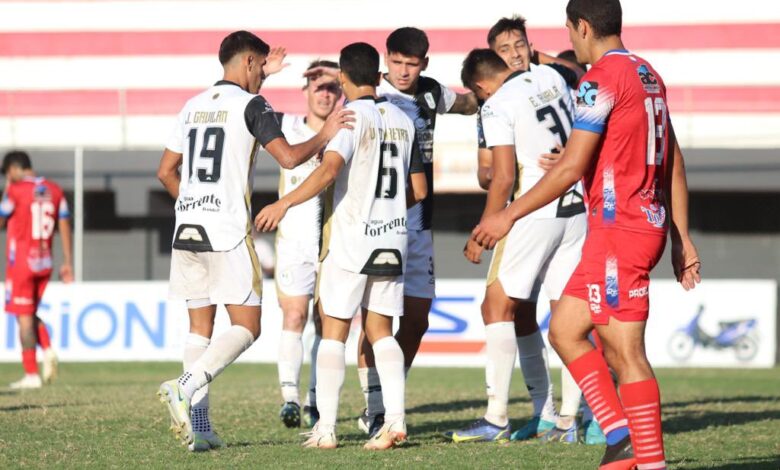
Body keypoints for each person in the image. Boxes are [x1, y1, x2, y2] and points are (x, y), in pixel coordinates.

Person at [472, 1, 701, 468]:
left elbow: (572, 166)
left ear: (581, 27)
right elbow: (672, 158)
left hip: (623, 231)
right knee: (565, 329)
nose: (570, 41)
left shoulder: (599, 79)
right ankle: (620, 435)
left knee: (624, 351)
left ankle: (647, 458)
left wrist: (506, 216)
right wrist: (681, 237)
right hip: (627, 228)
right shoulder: (647, 73)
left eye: (569, 32)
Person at [156, 30, 352, 452]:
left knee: (199, 330)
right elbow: (289, 157)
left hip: (187, 227)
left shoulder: (192, 106)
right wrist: (327, 133)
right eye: (261, 67)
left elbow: (165, 171)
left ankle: (202, 427)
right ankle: (183, 387)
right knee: (248, 326)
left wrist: (192, 204)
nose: (264, 75)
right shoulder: (252, 104)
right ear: (247, 63)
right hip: (226, 231)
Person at [256, 41, 427, 450]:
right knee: (381, 331)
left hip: (351, 239)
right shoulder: (404, 120)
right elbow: (417, 189)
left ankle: (327, 429)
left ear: (346, 79)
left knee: (334, 332)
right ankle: (394, 422)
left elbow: (329, 171)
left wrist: (284, 201)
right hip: (393, 238)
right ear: (380, 74)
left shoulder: (351, 118)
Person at [450, 48, 586, 444]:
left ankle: (496, 418)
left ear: (479, 87)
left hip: (534, 210)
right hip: (577, 209)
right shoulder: (551, 78)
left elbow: (504, 177)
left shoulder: (496, 106)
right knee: (568, 318)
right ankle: (564, 421)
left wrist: (485, 229)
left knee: (496, 307)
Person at [272, 60, 342, 429]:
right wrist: (264, 73)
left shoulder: (349, 127)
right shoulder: (286, 126)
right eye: (317, 85)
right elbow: (250, 107)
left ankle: (315, 398)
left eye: (331, 85)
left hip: (334, 243)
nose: (324, 91)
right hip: (295, 242)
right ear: (306, 91)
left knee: (327, 321)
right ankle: (289, 398)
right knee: (294, 316)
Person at [0, 151, 73, 389]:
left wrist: (7, 189)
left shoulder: (16, 189)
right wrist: (68, 262)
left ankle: (31, 374)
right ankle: (48, 348)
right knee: (28, 313)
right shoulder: (55, 190)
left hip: (21, 261)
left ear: (12, 169)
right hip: (44, 262)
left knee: (23, 318)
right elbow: (64, 225)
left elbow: (1, 219)